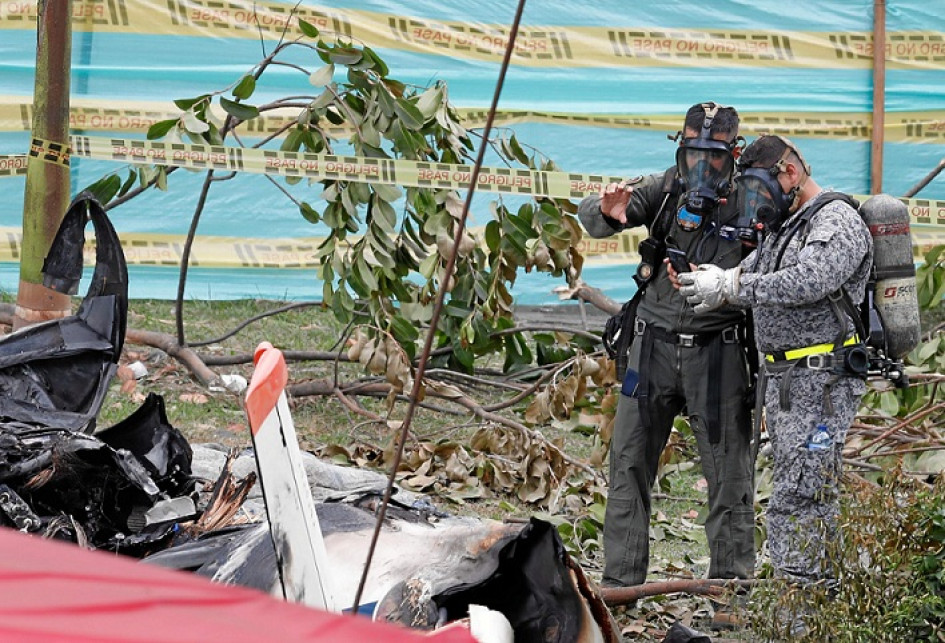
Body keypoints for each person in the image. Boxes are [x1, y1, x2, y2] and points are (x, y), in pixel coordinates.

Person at [676, 135, 872, 598]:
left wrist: (731, 287)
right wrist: (709, 279)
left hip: (822, 380)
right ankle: (804, 595)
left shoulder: (836, 221)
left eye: (763, 191)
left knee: (803, 491)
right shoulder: (788, 226)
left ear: (789, 172)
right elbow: (751, 271)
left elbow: (808, 281)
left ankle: (806, 601)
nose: (759, 204)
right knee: (794, 486)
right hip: (789, 382)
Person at [577, 102, 756, 607]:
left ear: (733, 153)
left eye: (714, 156)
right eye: (693, 152)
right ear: (681, 148)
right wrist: (607, 210)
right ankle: (621, 591)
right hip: (651, 347)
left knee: (730, 476)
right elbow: (596, 216)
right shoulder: (665, 187)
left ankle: (731, 597)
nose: (702, 166)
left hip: (717, 355)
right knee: (628, 464)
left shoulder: (753, 198)